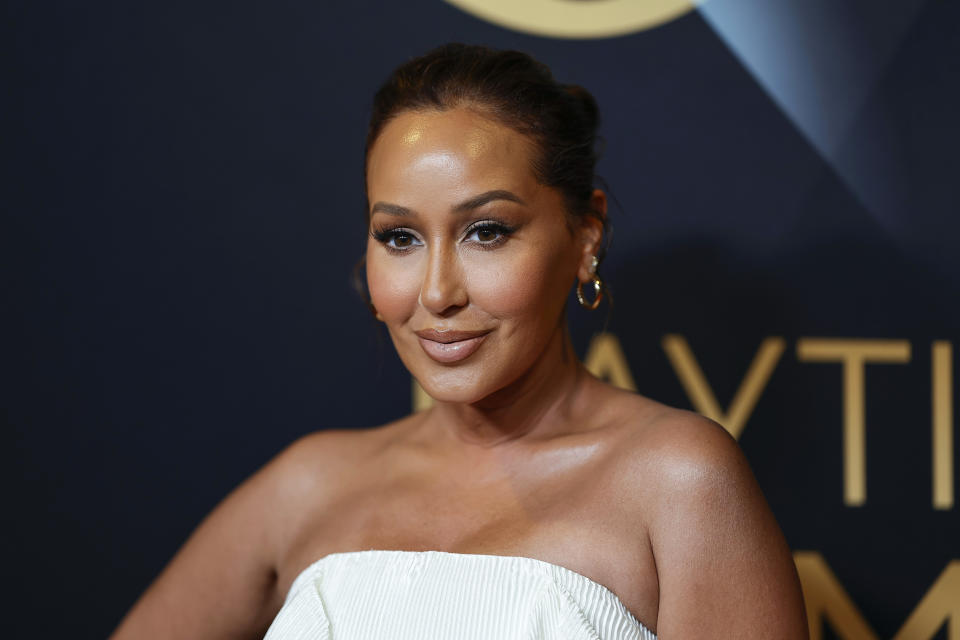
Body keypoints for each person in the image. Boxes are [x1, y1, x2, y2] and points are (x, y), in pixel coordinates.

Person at [111, 43, 808, 639]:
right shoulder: (308, 483)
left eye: (488, 231)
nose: (438, 292)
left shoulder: (679, 482)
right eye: (400, 237)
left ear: (584, 238)